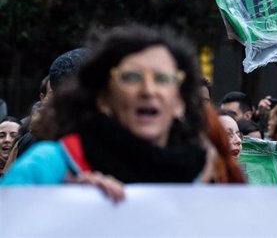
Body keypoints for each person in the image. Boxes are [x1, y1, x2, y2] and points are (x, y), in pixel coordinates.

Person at [1, 24, 211, 199]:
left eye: (163, 79)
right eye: (131, 77)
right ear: (103, 98)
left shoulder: (208, 177)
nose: (148, 91)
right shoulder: (47, 167)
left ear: (180, 101)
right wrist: (61, 211)